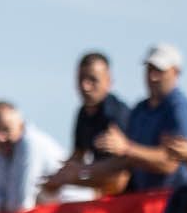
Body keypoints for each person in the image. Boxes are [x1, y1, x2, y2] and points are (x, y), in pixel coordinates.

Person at [95, 44, 187, 193]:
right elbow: (127, 161)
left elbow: (170, 163)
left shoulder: (179, 108)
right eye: (149, 69)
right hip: (146, 201)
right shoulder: (140, 109)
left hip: (175, 201)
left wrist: (127, 148)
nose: (152, 77)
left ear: (176, 72)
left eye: (159, 71)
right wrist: (82, 172)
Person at [41, 52, 130, 201]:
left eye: (93, 80)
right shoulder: (83, 113)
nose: (85, 87)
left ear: (108, 81)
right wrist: (56, 178)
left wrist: (73, 179)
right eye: (81, 79)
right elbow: (77, 157)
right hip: (106, 199)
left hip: (129, 202)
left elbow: (120, 179)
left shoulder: (117, 115)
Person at [0, 102, 69, 213]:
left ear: (21, 126)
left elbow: (20, 205)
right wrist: (4, 204)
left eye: (6, 129)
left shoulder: (30, 143)